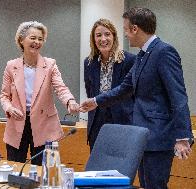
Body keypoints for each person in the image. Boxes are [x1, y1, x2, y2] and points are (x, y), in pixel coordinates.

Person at [80, 7, 193, 189]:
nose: (125, 35)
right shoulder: (142, 55)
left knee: (155, 185)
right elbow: (125, 88)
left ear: (135, 28)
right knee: (146, 185)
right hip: (142, 136)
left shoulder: (164, 52)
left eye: (125, 29)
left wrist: (182, 137)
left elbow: (178, 96)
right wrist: (95, 101)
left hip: (159, 137)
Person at [0, 21, 79, 165]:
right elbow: (4, 96)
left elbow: (60, 87)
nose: (37, 42)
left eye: (40, 39)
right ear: (21, 40)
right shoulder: (11, 66)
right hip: (18, 123)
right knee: (15, 168)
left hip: (44, 124)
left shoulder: (50, 65)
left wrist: (70, 101)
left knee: (45, 170)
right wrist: (9, 108)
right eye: (33, 38)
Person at [84, 18, 136, 151]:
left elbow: (130, 92)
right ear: (93, 39)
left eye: (107, 34)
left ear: (114, 36)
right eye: (98, 35)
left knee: (120, 166)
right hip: (97, 122)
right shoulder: (89, 63)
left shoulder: (129, 60)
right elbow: (90, 91)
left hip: (121, 120)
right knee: (97, 166)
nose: (103, 39)